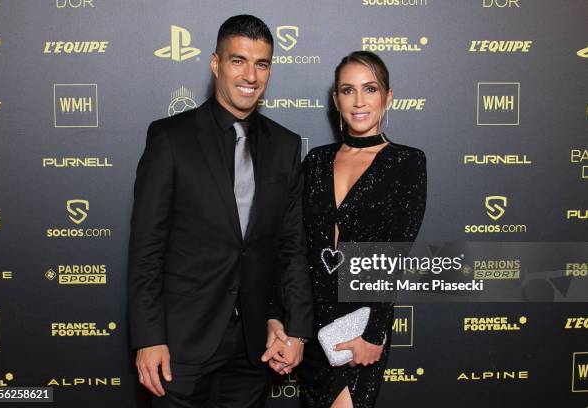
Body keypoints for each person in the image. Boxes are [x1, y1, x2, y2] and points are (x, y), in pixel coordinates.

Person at [127, 15, 313, 408]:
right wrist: (148, 337)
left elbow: (291, 247)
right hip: (179, 345)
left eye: (261, 64)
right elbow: (147, 249)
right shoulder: (170, 138)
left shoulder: (285, 145)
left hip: (252, 347)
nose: (251, 75)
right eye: (238, 60)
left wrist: (294, 329)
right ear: (215, 63)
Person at [299, 51, 427, 407]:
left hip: (360, 322)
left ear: (388, 97)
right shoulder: (316, 161)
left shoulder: (407, 162)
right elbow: (295, 249)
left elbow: (395, 256)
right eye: (347, 90)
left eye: (369, 89)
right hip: (311, 323)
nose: (358, 101)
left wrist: (375, 333)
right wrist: (287, 324)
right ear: (335, 99)